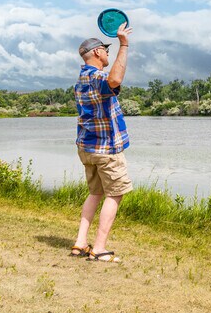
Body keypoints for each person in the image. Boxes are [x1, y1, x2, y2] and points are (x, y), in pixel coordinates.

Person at [70, 22, 133, 262]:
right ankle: (99, 248)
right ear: (97, 52)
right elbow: (115, 80)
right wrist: (124, 44)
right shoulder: (97, 77)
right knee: (115, 194)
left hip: (87, 148)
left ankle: (80, 243)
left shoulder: (80, 80)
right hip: (106, 149)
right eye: (107, 50)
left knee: (95, 192)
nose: (108, 53)